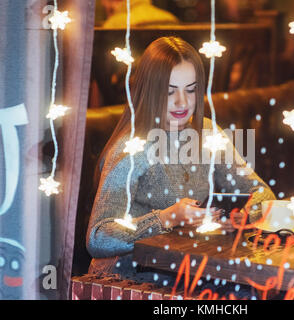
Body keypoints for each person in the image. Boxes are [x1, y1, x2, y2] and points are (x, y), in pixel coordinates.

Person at [86, 36, 276, 280]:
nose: (182, 102)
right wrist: (168, 217)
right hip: (136, 279)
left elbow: (262, 192)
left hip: (192, 269)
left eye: (191, 90)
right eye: (170, 91)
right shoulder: (131, 147)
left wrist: (243, 216)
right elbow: (98, 236)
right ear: (150, 91)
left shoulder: (208, 133)